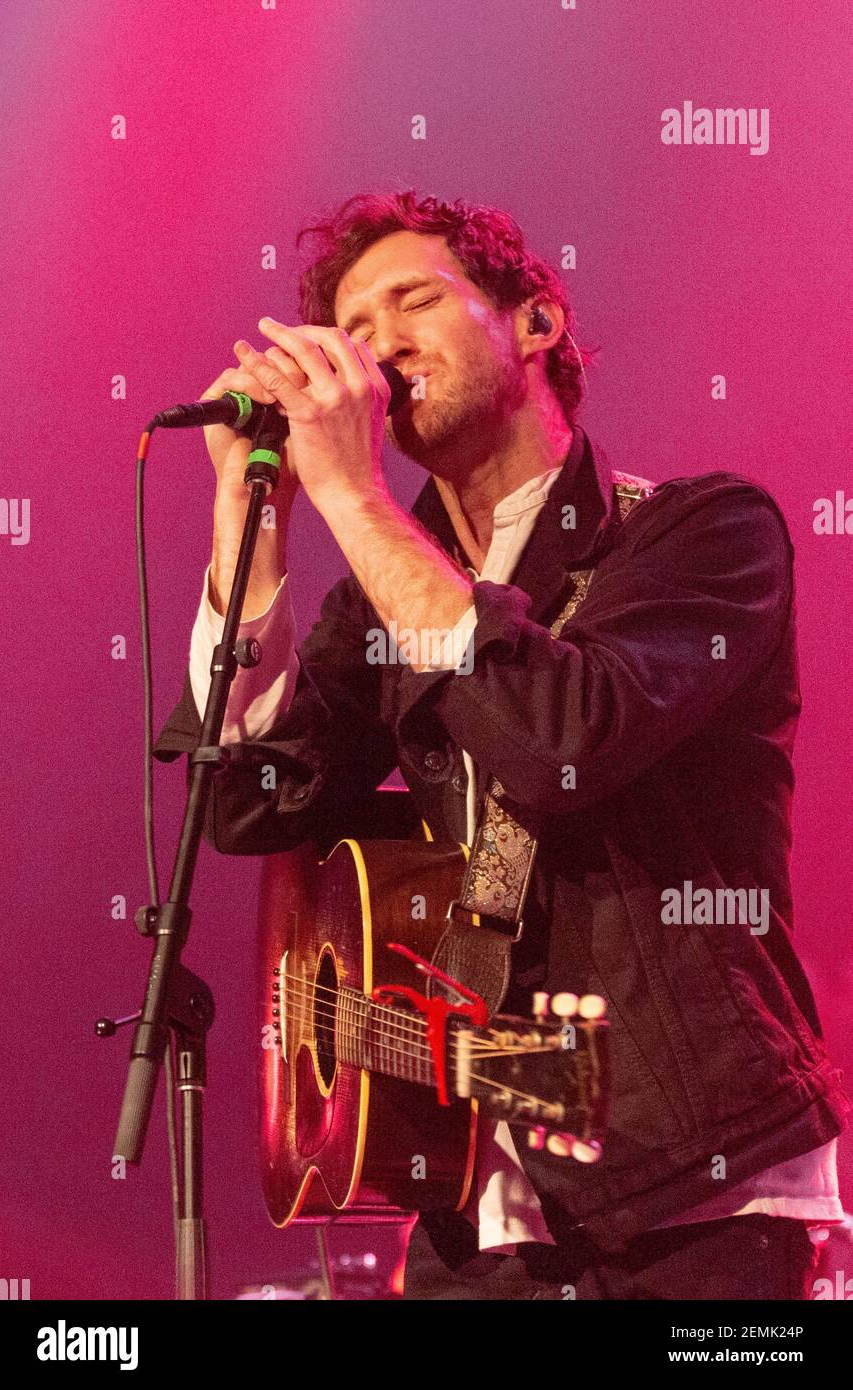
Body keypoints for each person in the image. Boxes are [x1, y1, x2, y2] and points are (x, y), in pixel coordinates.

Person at [154, 190, 849, 1300]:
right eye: (356, 326)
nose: (378, 346)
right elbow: (253, 804)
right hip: (478, 1196)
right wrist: (259, 520)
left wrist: (349, 492)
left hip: (693, 1191)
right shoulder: (386, 591)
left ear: (534, 324)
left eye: (411, 301)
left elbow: (556, 737)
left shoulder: (701, 531)